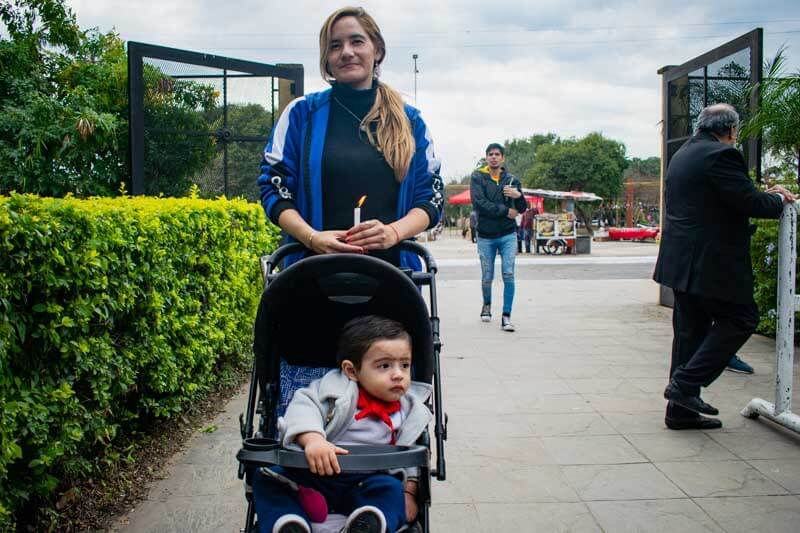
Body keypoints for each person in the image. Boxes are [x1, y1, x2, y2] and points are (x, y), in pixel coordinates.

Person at [257, 7, 443, 270]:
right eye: (335, 46)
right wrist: (311, 237)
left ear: (377, 49)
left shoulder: (411, 122)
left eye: (357, 41)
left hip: (394, 280)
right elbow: (274, 187)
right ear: (326, 58)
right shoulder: (301, 114)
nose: (346, 52)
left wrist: (394, 232)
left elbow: (431, 196)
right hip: (310, 276)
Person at [654, 103, 794, 430]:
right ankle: (685, 385)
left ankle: (679, 411)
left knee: (690, 332)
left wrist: (760, 194)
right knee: (741, 318)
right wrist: (778, 199)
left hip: (682, 262)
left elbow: (722, 199)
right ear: (731, 130)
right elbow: (750, 203)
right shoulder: (721, 155)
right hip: (710, 264)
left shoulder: (685, 154)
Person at [252, 315, 432, 533]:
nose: (398, 375)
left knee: (391, 490)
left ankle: (370, 522)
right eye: (384, 366)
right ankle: (288, 522)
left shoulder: (409, 410)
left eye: (405, 365)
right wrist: (313, 439)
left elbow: (411, 455)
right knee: (265, 478)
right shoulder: (333, 391)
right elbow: (303, 408)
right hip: (312, 475)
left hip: (367, 481)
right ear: (352, 371)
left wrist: (409, 493)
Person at [471, 143, 527, 332]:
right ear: (486, 157)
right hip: (485, 236)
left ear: (502, 158)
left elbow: (521, 209)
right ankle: (486, 305)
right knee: (487, 276)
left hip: (508, 235)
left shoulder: (511, 179)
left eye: (497, 154)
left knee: (508, 273)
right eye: (490, 154)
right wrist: (505, 211)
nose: (494, 157)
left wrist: (518, 196)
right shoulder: (478, 177)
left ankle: (506, 316)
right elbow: (479, 204)